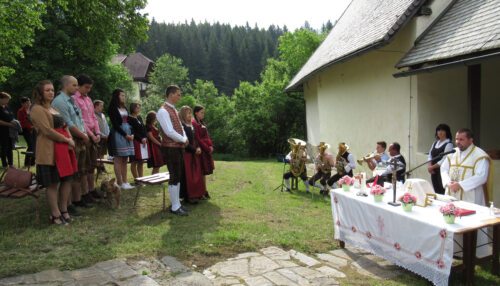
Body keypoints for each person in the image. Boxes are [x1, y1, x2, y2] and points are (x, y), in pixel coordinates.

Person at [30, 80, 77, 225]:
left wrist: (70, 138)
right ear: (40, 93)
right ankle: (55, 214)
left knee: (67, 180)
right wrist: (66, 139)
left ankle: (64, 210)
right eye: (47, 90)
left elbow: (64, 125)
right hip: (49, 152)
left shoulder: (53, 108)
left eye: (52, 90)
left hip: (63, 150)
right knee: (53, 183)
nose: (51, 92)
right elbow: (47, 131)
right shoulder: (37, 109)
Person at [52, 75, 92, 211]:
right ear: (66, 85)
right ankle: (68, 204)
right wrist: (83, 135)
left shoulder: (70, 100)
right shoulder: (60, 102)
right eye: (74, 85)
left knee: (79, 172)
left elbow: (79, 119)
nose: (76, 87)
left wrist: (85, 134)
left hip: (80, 139)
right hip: (71, 140)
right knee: (70, 174)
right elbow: (67, 124)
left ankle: (77, 199)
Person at [157, 85, 189, 216]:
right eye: (178, 94)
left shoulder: (173, 110)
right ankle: (174, 207)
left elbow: (180, 127)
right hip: (170, 148)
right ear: (171, 94)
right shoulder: (163, 111)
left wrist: (184, 138)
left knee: (178, 175)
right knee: (174, 176)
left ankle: (177, 204)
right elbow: (169, 131)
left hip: (178, 147)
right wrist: (183, 139)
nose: (180, 96)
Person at [441, 128, 490, 206]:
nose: (458, 142)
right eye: (456, 139)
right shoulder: (452, 152)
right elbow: (443, 169)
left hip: (470, 196)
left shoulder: (480, 155)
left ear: (470, 140)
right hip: (452, 193)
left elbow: (481, 176)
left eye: (461, 139)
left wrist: (460, 185)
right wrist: (448, 182)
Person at [73, 75, 101, 200]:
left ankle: (91, 189)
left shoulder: (89, 99)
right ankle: (83, 193)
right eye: (86, 87)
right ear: (78, 86)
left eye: (90, 88)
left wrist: (98, 133)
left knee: (92, 165)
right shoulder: (74, 99)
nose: (88, 90)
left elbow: (93, 117)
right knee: (83, 166)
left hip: (93, 135)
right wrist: (90, 135)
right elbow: (81, 120)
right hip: (83, 135)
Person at [107, 88, 135, 190]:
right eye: (122, 95)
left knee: (125, 159)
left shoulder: (125, 108)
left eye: (124, 95)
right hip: (119, 134)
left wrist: (131, 133)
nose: (124, 97)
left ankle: (125, 181)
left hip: (127, 133)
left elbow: (129, 122)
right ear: (116, 96)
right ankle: (119, 182)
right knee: (118, 158)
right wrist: (125, 134)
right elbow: (115, 125)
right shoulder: (112, 108)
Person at [179, 105, 207, 202]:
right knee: (189, 176)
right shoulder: (181, 126)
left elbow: (195, 139)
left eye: (190, 113)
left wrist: (198, 147)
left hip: (194, 153)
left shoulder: (191, 125)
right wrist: (194, 150)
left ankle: (198, 194)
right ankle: (190, 196)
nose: (190, 115)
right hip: (187, 154)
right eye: (187, 113)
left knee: (197, 174)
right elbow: (184, 142)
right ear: (183, 114)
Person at [192, 105, 214, 198]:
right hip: (200, 150)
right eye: (201, 112)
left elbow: (207, 136)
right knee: (200, 171)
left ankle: (204, 190)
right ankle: (202, 191)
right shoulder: (194, 123)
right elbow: (198, 138)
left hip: (206, 149)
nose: (203, 114)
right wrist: (207, 148)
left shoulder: (202, 122)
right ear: (196, 113)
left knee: (204, 171)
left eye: (203, 112)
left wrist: (211, 145)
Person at [427, 124, 454, 194]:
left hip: (442, 171)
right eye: (438, 130)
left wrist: (432, 167)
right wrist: (429, 166)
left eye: (442, 130)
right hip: (433, 171)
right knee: (436, 189)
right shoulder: (435, 143)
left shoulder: (449, 144)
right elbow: (430, 155)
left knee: (442, 189)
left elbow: (445, 159)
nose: (440, 132)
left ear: (446, 132)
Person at [128, 102, 147, 179]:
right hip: (135, 142)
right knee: (134, 161)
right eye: (137, 107)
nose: (139, 109)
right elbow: (133, 131)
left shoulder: (139, 117)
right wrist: (141, 138)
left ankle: (141, 178)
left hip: (142, 142)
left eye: (139, 107)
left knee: (141, 161)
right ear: (133, 108)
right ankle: (137, 179)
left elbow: (143, 128)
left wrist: (145, 137)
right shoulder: (129, 119)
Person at [17, 97, 35, 167]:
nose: (29, 104)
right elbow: (22, 122)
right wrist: (30, 127)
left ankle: (33, 162)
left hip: (34, 129)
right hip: (26, 130)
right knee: (30, 145)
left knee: (35, 145)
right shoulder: (20, 111)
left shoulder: (32, 110)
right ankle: (27, 163)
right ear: (22, 104)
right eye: (27, 103)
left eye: (29, 102)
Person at [0, 92, 16, 168]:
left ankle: (11, 164)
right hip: (2, 131)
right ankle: (4, 164)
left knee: (10, 147)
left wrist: (14, 122)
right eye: (6, 99)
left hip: (10, 131)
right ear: (1, 99)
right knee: (4, 147)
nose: (8, 101)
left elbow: (12, 116)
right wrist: (9, 124)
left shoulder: (7, 107)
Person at [94, 100, 110, 170]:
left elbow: (106, 126)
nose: (102, 107)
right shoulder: (93, 115)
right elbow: (95, 128)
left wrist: (108, 134)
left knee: (102, 153)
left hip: (105, 137)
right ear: (96, 106)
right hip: (98, 137)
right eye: (101, 106)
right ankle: (98, 168)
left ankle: (102, 167)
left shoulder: (103, 115)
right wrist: (102, 135)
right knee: (97, 153)